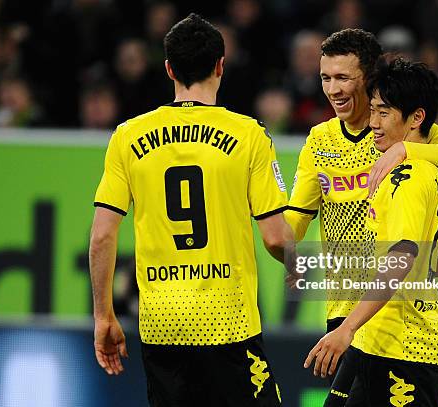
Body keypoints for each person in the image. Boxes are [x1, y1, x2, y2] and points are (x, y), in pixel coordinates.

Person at [89, 14, 292, 406]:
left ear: (169, 68)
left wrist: (103, 315)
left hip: (162, 326)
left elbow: (101, 235)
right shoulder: (249, 134)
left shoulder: (127, 136)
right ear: (220, 65)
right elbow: (275, 237)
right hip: (228, 322)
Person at [284, 29, 438, 406]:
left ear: (368, 79)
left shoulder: (410, 143)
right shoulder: (320, 140)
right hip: (349, 316)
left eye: (343, 78)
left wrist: (406, 151)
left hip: (390, 324)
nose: (333, 89)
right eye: (325, 78)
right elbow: (292, 226)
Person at [304, 57, 438, 407]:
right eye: (372, 110)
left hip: (401, 347)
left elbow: (400, 259)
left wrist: (345, 328)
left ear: (417, 118)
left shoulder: (409, 177)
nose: (373, 123)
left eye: (384, 113)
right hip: (380, 339)